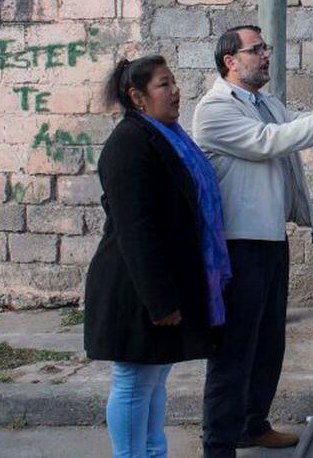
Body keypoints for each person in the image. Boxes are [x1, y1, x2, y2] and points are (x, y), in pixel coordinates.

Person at [193, 25, 313, 457]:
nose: (265, 55)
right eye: (255, 49)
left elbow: (295, 125)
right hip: (240, 244)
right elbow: (270, 142)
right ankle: (218, 446)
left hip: (270, 239)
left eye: (265, 48)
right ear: (230, 62)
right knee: (234, 351)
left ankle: (252, 425)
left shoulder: (263, 101)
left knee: (268, 341)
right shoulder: (215, 109)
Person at [85, 55, 231, 458]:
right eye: (164, 85)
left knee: (154, 378)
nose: (175, 92)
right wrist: (161, 300)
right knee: (133, 381)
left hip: (159, 285)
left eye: (174, 82)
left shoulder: (166, 137)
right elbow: (136, 231)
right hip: (136, 288)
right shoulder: (129, 145)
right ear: (138, 96)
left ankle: (152, 452)